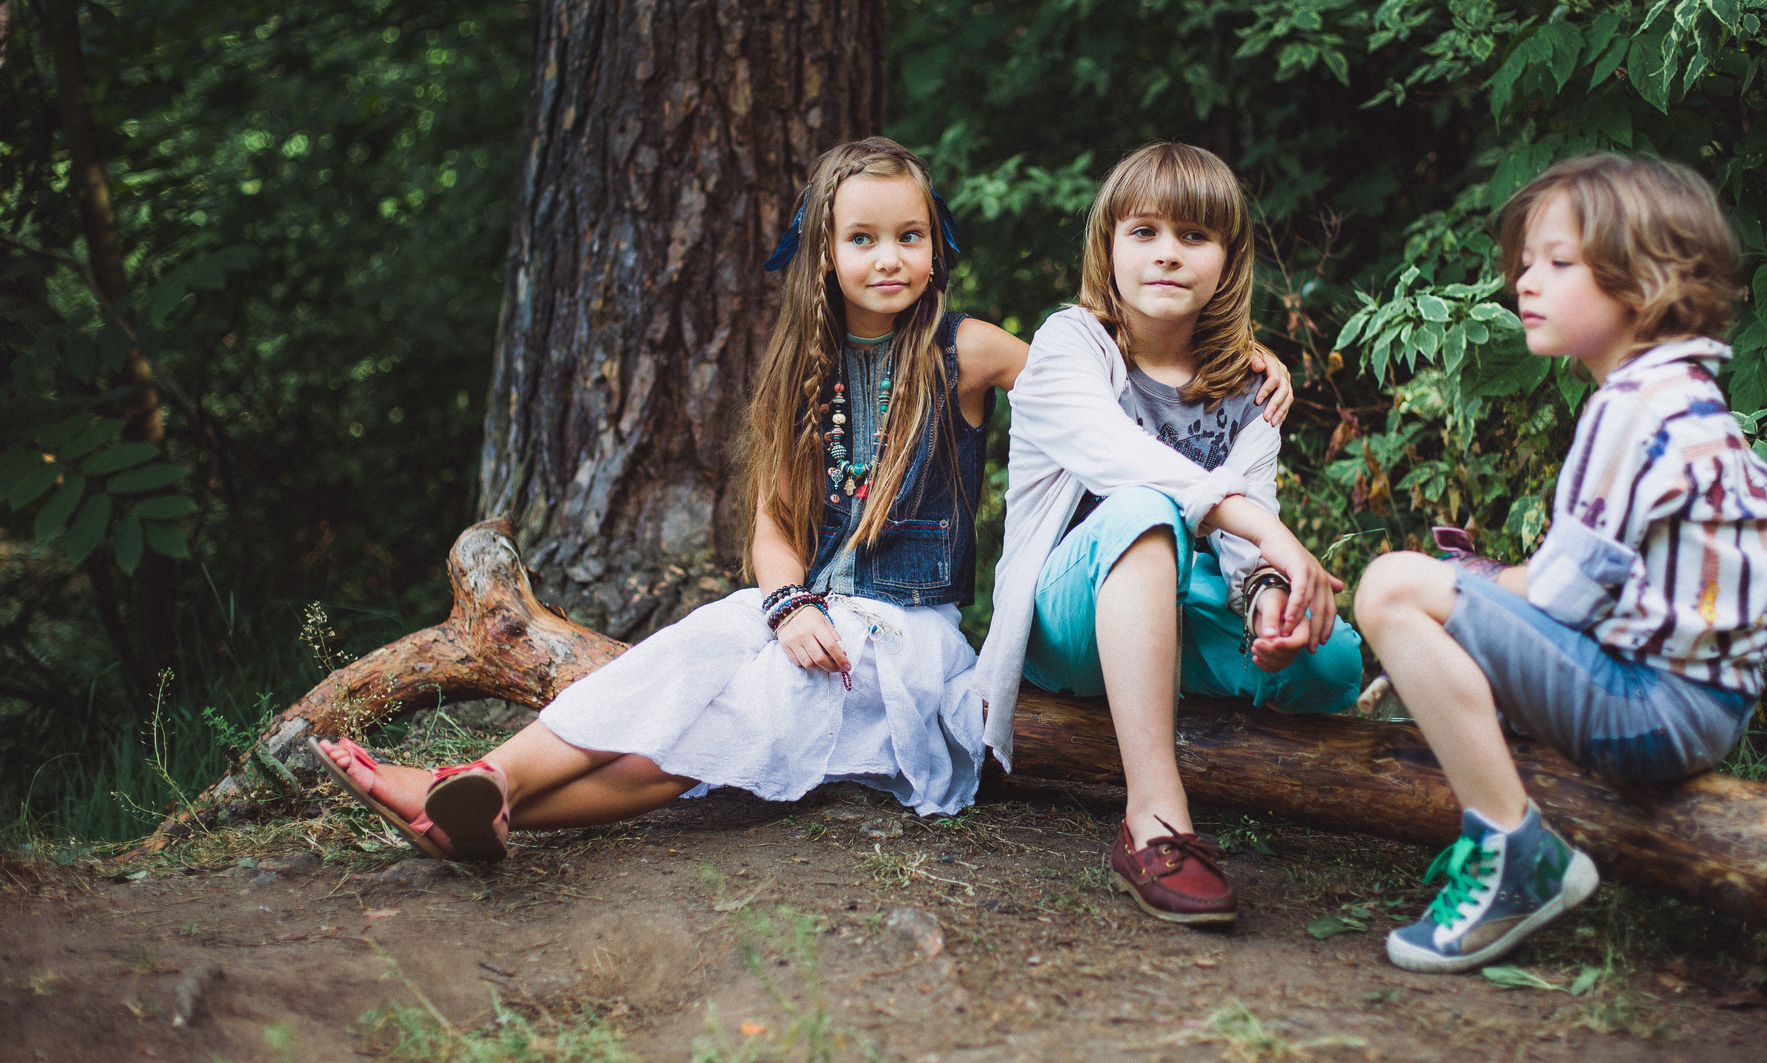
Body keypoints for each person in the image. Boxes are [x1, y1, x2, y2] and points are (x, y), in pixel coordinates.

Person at [311, 137, 1295, 860]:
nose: (888, 258)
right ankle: (483, 786)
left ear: (934, 244)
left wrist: (1226, 351)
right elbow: (775, 527)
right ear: (823, 251)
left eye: (908, 236)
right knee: (698, 644)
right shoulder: (798, 371)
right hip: (811, 613)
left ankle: (479, 794)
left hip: (913, 636)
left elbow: (1105, 394)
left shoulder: (973, 349)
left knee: (753, 703)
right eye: (862, 238)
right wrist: (785, 604)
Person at [1351, 153, 1767, 973]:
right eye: (1526, 264)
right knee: (1445, 599)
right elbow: (1602, 590)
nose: (1527, 281)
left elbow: (1560, 596)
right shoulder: (1688, 394)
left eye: (1559, 263)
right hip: (1709, 705)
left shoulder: (1628, 406)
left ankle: (1519, 855)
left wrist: (1469, 589)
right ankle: (1463, 720)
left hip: (1654, 710)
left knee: (1392, 588)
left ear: (1645, 280)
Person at [976, 141, 1363, 925]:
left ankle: (1188, 671)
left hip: (1179, 607)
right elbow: (1117, 457)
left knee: (1332, 661)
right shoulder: (1068, 345)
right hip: (1068, 621)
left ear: (1227, 259)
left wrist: (1267, 600)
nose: (1167, 254)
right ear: (1108, 248)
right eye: (1144, 232)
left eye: (1194, 236)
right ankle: (1154, 819)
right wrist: (1261, 524)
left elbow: (1248, 548)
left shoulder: (1249, 391)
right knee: (1144, 507)